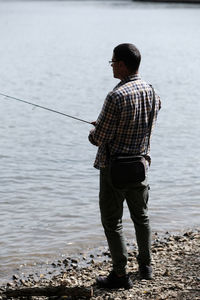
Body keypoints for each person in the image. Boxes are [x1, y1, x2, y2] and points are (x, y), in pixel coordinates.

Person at [88, 43, 161, 290]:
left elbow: (99, 138)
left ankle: (120, 274)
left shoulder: (116, 95)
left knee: (113, 222)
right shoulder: (151, 90)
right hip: (140, 165)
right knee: (141, 217)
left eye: (112, 62)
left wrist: (94, 130)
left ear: (121, 64)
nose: (111, 66)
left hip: (114, 168)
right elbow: (151, 115)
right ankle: (146, 266)